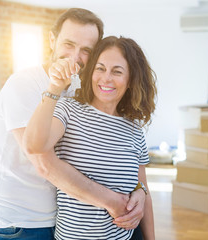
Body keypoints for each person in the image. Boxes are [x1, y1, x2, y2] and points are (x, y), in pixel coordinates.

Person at [0, 8, 146, 240]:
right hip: (19, 224)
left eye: (86, 50)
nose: (74, 56)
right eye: (68, 44)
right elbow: (43, 163)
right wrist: (113, 202)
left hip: (59, 220)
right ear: (52, 40)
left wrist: (139, 190)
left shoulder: (77, 91)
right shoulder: (24, 85)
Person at [24, 36, 157, 239]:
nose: (106, 78)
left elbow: (143, 188)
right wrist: (54, 88)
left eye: (117, 72)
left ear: (130, 80)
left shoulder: (134, 130)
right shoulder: (68, 110)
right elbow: (34, 145)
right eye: (100, 68)